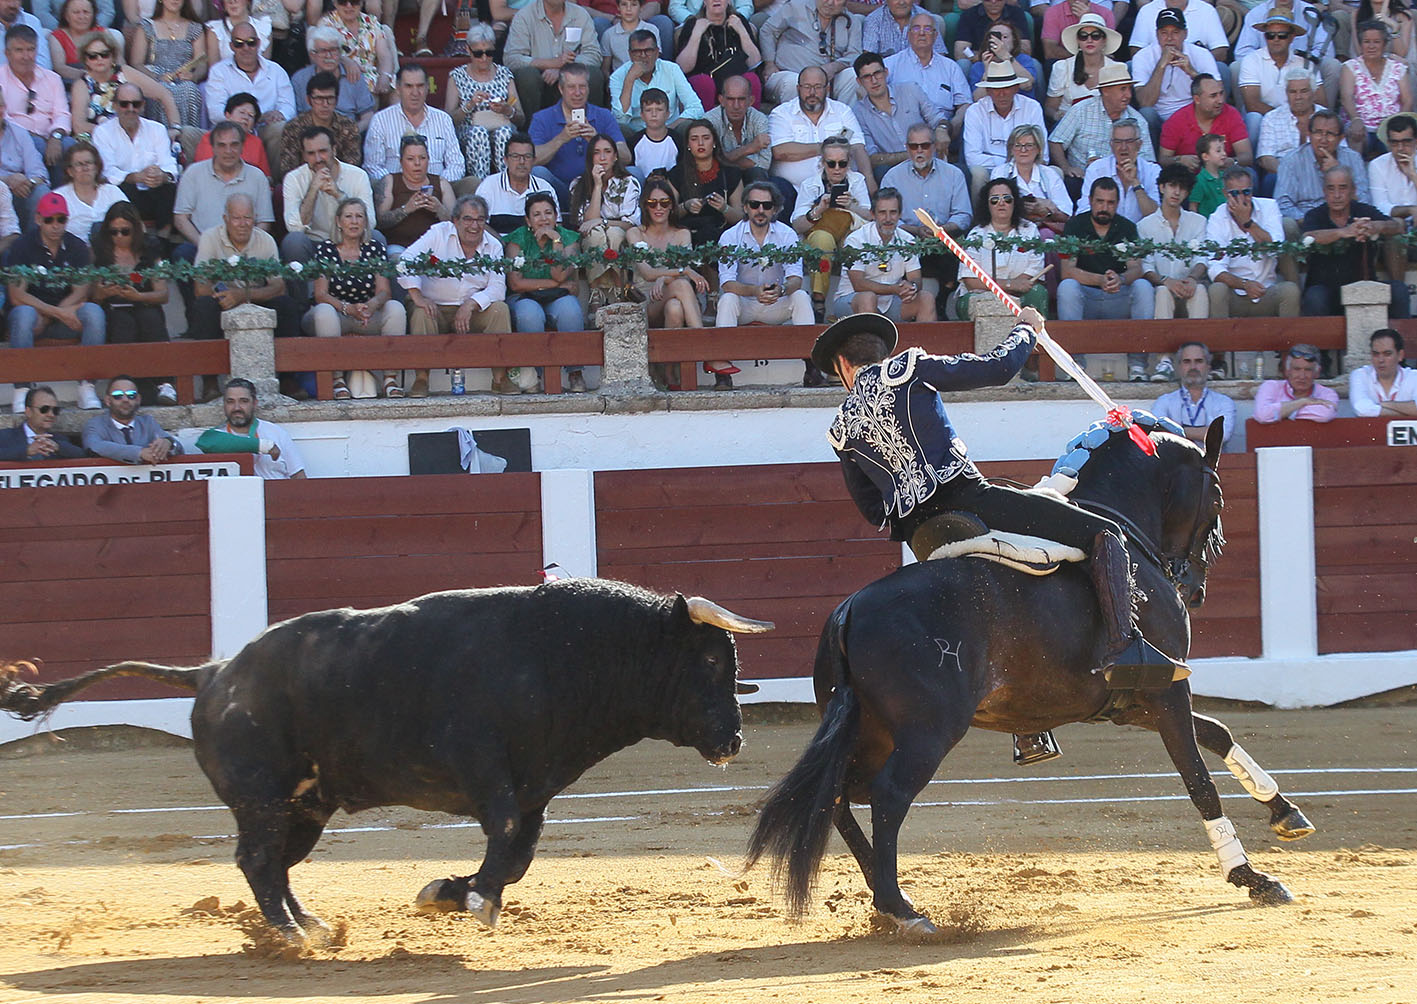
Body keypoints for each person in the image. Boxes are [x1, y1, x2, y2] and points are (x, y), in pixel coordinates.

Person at [813, 307, 1180, 765]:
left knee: (1005, 579)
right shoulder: (906, 369)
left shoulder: (841, 427)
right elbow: (998, 368)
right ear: (881, 353)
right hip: (970, 501)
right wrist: (1026, 329)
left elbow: (872, 510)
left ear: (843, 366)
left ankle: (1029, 725)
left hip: (925, 536)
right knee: (1104, 532)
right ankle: (1126, 648)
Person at [398, 194, 514, 397]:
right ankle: (421, 379)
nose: (474, 226)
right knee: (421, 312)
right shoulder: (439, 233)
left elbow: (497, 288)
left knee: (500, 309)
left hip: (472, 312)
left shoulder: (493, 245)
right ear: (455, 220)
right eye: (468, 219)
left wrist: (471, 304)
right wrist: (417, 296)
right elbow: (406, 260)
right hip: (436, 308)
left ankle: (500, 378)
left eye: (480, 220)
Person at [192, 193, 302, 399]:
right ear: (225, 219)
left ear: (255, 218)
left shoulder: (265, 240)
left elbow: (278, 286)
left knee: (286, 305)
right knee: (203, 306)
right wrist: (226, 296)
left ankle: (288, 378)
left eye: (247, 218)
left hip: (256, 298)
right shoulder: (210, 238)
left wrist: (243, 295)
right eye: (236, 218)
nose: (242, 224)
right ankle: (209, 382)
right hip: (222, 299)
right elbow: (200, 287)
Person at [3, 192, 104, 409]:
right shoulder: (22, 246)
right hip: (33, 321)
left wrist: (52, 315)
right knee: (23, 314)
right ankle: (22, 389)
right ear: (38, 219)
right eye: (49, 219)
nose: (55, 225)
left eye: (61, 219)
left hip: (62, 318)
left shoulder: (77, 246)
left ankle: (87, 386)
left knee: (94, 312)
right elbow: (17, 295)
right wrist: (57, 313)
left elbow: (81, 290)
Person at [304, 196, 406, 400]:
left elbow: (384, 291)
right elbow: (321, 294)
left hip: (366, 314)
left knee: (395, 308)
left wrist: (371, 305)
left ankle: (390, 379)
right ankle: (337, 380)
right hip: (336, 313)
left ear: (366, 221)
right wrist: (347, 308)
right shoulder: (326, 249)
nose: (354, 222)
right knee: (324, 312)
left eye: (359, 216)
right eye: (348, 216)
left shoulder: (375, 248)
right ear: (338, 221)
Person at [715, 180, 814, 379]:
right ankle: (722, 370)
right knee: (728, 299)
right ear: (745, 207)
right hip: (744, 304)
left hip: (776, 302)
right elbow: (727, 283)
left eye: (767, 205)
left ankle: (812, 366)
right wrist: (754, 291)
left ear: (774, 209)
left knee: (801, 296)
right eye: (754, 205)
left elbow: (796, 278)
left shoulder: (787, 234)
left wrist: (781, 290)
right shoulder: (730, 236)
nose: (760, 210)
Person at [503, 191, 595, 392]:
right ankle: (534, 376)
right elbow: (516, 283)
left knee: (571, 311)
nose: (543, 219)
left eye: (548, 213)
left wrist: (556, 242)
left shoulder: (569, 238)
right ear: (528, 220)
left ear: (556, 216)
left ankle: (575, 372)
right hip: (524, 297)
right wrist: (558, 285)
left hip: (557, 297)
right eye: (536, 214)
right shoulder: (518, 239)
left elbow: (559, 274)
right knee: (530, 315)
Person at [1206, 167, 1301, 361]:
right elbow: (1215, 269)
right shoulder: (1217, 218)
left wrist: (1248, 222)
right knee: (1216, 289)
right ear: (1225, 194)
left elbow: (1276, 248)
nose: (1242, 198)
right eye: (1235, 193)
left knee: (1290, 291)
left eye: (1246, 192)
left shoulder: (1268, 207)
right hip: (1237, 293)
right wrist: (1244, 284)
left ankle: (1288, 362)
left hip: (1267, 291)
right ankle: (1218, 363)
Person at [627, 176, 712, 384]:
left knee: (675, 307)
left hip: (672, 298)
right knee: (681, 283)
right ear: (645, 206)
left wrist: (665, 278)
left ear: (672, 206)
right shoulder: (635, 233)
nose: (659, 208)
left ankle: (669, 371)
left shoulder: (682, 234)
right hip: (646, 301)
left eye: (664, 203)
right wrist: (682, 271)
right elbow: (647, 273)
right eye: (652, 203)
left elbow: (673, 275)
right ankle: (708, 350)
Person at [90, 200, 175, 406]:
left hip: (144, 303)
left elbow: (163, 294)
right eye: (114, 232)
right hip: (114, 307)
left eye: (125, 231)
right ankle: (124, 386)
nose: (119, 236)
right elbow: (93, 295)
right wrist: (103, 293)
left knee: (150, 318)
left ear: (135, 230)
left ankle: (165, 383)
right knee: (122, 323)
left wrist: (138, 297)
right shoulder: (99, 250)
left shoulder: (150, 248)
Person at [1299, 164, 1409, 318]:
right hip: (1327, 291)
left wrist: (1376, 226)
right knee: (1315, 296)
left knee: (1399, 290)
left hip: (1365, 288)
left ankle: (1399, 334)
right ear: (1324, 192)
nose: (1337, 195)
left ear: (1353, 190)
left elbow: (1397, 226)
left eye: (1343, 188)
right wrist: (1343, 232)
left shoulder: (1364, 211)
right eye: (1331, 189)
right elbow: (1308, 237)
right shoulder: (1315, 214)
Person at [881, 121, 971, 297]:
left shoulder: (954, 174)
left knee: (956, 249)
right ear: (907, 148)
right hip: (906, 239)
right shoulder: (892, 177)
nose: (919, 151)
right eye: (914, 146)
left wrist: (941, 230)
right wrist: (915, 230)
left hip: (944, 239)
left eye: (925, 145)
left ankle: (943, 298)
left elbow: (963, 215)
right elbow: (885, 218)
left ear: (935, 146)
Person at [1048, 64, 1157, 200]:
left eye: (1129, 89)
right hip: (1082, 178)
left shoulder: (1138, 121)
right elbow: (1055, 141)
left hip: (1122, 180)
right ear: (1105, 90)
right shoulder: (1081, 110)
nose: (1129, 95)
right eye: (1123, 89)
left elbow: (1147, 160)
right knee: (1071, 184)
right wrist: (1066, 168)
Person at [792, 134, 871, 320]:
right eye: (831, 163)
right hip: (820, 237)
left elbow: (870, 218)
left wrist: (851, 206)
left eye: (842, 164)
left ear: (849, 163)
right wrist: (818, 210)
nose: (836, 169)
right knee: (822, 239)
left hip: (848, 235)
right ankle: (819, 301)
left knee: (855, 239)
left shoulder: (857, 181)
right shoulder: (810, 185)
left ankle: (850, 301)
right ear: (822, 163)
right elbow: (797, 226)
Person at [528, 63, 629, 205]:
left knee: (634, 172)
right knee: (538, 173)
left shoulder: (603, 115)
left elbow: (626, 156)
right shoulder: (542, 118)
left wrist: (597, 141)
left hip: (599, 186)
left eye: (582, 87)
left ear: (588, 88)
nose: (577, 93)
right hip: (560, 189)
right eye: (571, 87)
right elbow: (531, 159)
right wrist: (561, 139)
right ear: (561, 89)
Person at [203, 20, 293, 172]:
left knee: (280, 128)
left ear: (258, 43)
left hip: (266, 129)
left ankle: (273, 180)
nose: (246, 48)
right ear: (231, 46)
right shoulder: (219, 71)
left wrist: (279, 114)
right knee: (189, 134)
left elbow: (289, 107)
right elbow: (215, 112)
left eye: (251, 42)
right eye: (239, 43)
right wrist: (243, 120)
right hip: (229, 131)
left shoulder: (276, 71)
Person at [281, 124, 375, 268]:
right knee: (293, 241)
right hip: (313, 243)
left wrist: (338, 195)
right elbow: (294, 228)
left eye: (323, 151)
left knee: (376, 236)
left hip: (350, 242)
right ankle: (304, 284)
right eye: (311, 153)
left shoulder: (358, 175)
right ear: (304, 156)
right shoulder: (294, 178)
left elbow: (370, 222)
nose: (318, 159)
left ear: (334, 150)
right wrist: (313, 190)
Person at [837, 186, 936, 322]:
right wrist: (894, 289)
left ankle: (924, 337)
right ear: (873, 214)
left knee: (926, 298)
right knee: (868, 298)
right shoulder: (856, 239)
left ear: (900, 215)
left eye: (893, 212)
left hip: (891, 301)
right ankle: (870, 337)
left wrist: (911, 288)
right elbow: (858, 284)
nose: (888, 218)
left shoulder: (908, 240)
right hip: (852, 299)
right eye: (882, 213)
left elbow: (916, 278)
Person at [954, 175, 1045, 321]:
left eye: (1007, 199)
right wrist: (1009, 285)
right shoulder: (976, 235)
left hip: (1020, 293)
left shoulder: (1030, 230)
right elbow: (971, 280)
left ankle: (1033, 335)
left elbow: (1034, 270)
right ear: (987, 205)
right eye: (994, 200)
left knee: (1037, 292)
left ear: (1015, 203)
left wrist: (1013, 290)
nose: (1001, 203)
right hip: (983, 293)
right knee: (970, 300)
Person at [767, 65, 871, 190]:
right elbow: (780, 151)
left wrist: (870, 182)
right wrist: (827, 147)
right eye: (807, 87)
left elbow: (857, 147)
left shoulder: (842, 111)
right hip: (793, 190)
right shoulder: (781, 113)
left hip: (837, 188)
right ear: (798, 88)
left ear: (827, 89)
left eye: (817, 87)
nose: (812, 93)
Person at [362, 64, 465, 189]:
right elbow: (373, 167)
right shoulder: (380, 120)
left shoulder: (443, 119)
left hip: (438, 189)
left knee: (471, 183)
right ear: (398, 88)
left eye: (420, 86)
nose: (415, 93)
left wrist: (436, 185)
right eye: (409, 86)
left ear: (427, 88)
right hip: (395, 191)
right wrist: (400, 185)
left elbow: (456, 164)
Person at [91, 81, 178, 225]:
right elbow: (107, 172)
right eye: (124, 104)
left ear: (143, 105)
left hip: (154, 191)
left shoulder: (157, 129)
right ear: (115, 106)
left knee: (169, 187)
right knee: (118, 187)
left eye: (136, 104)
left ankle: (164, 235)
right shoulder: (103, 132)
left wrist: (162, 176)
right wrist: (135, 177)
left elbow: (168, 164)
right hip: (124, 193)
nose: (130, 109)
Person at [853, 51, 947, 181]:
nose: (874, 81)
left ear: (886, 72)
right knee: (881, 171)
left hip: (931, 162)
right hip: (896, 172)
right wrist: (913, 154)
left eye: (877, 73)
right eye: (867, 77)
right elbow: (872, 157)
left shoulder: (910, 90)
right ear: (859, 81)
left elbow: (938, 119)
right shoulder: (858, 112)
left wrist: (942, 129)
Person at [570, 132, 640, 303]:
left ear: (615, 157)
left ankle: (618, 290)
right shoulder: (577, 184)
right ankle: (596, 294)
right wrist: (597, 185)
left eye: (607, 152)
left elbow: (631, 224)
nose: (602, 158)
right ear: (590, 158)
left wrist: (603, 221)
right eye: (596, 152)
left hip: (620, 235)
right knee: (596, 234)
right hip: (590, 238)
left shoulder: (629, 182)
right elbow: (585, 225)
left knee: (614, 233)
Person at [447, 22, 521, 181]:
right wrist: (469, 105)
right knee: (478, 133)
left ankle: (507, 182)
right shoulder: (457, 76)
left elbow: (521, 118)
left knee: (504, 133)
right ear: (468, 50)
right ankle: (480, 183)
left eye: (489, 52)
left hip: (501, 126)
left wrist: (506, 109)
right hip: (470, 131)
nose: (484, 58)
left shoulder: (504, 74)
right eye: (478, 54)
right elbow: (449, 120)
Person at [1140, 161, 1209, 331]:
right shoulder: (1144, 225)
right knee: (1163, 292)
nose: (1177, 192)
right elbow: (1146, 267)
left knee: (1200, 289)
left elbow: (1201, 258)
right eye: (1172, 185)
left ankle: (1198, 344)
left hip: (1188, 287)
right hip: (1161, 289)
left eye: (1182, 188)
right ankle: (1163, 348)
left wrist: (1192, 279)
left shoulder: (1198, 222)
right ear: (1162, 187)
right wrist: (1166, 281)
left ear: (1187, 192)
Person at [1133, 6, 1222, 138]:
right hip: (1159, 116)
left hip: (1192, 113)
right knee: (1147, 113)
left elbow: (1218, 94)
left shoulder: (1201, 53)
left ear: (1185, 34)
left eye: (1175, 32)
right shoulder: (1142, 56)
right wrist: (1161, 66)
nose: (1169, 38)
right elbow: (1145, 102)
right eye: (1164, 33)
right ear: (1157, 35)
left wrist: (1192, 72)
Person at [1237, 14, 1327, 145]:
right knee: (1254, 118)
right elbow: (1252, 104)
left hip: (1300, 116)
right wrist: (1283, 119)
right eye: (1270, 35)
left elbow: (1321, 102)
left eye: (1282, 35)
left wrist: (1296, 117)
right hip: (1266, 116)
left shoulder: (1305, 62)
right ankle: (1254, 158)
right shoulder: (1251, 60)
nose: (1276, 39)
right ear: (1265, 37)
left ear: (1292, 37)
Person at [503, 0, 605, 114]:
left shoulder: (580, 14)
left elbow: (594, 54)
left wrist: (564, 69)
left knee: (593, 73)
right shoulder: (524, 16)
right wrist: (552, 63)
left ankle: (590, 122)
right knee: (527, 76)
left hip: (572, 77)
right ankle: (531, 124)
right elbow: (512, 58)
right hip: (539, 78)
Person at [962, 61, 1046, 197]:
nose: (1001, 94)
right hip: (993, 169)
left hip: (1027, 168)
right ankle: (980, 212)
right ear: (988, 91)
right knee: (978, 173)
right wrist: (1011, 164)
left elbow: (1043, 154)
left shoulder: (1032, 107)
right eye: (996, 89)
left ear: (1016, 88)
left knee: (1055, 172)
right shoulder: (975, 111)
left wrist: (1019, 164)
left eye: (1006, 88)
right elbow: (972, 157)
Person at [196, 377, 305, 478]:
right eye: (230, 402)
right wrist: (263, 446)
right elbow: (205, 442)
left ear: (254, 403)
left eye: (244, 401)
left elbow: (299, 477)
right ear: (224, 404)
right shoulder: (218, 435)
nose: (237, 408)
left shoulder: (276, 433)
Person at [0, 25, 71, 180]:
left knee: (70, 146)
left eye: (30, 49)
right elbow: (3, 116)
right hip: (13, 138)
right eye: (19, 50)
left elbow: (62, 114)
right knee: (37, 145)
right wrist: (33, 136)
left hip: (51, 136)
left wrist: (55, 137)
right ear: (7, 53)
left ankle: (63, 193)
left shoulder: (52, 78)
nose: (26, 56)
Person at [760, 0, 863, 106]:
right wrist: (769, 63)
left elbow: (854, 54)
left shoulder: (852, 22)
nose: (830, 3)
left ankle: (842, 115)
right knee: (793, 83)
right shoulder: (795, 7)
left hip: (828, 79)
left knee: (852, 76)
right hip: (789, 73)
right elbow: (768, 31)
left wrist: (834, 67)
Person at [1277, 110, 1371, 224]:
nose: (1323, 140)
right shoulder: (1292, 160)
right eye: (1318, 133)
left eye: (1330, 134)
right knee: (1288, 224)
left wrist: (1337, 172)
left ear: (1341, 138)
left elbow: (1364, 201)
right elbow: (1283, 204)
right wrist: (1312, 222)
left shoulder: (1353, 158)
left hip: (1346, 220)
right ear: (1309, 134)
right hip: (1306, 221)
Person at [885, 12, 970, 131]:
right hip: (905, 128)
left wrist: (954, 125)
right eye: (916, 28)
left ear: (935, 35)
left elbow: (965, 103)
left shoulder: (950, 67)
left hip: (942, 128)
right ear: (908, 34)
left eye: (927, 29)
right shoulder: (890, 64)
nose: (922, 33)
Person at [611, 28, 704, 135]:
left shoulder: (672, 69)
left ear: (656, 52)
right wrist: (629, 80)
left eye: (648, 51)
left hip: (670, 130)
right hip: (636, 134)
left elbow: (696, 107)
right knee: (620, 129)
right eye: (637, 52)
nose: (643, 56)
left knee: (687, 125)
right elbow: (620, 120)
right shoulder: (617, 76)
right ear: (630, 55)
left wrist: (668, 129)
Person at [1340, 19, 1412, 155]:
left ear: (1384, 44)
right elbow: (1346, 97)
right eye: (1367, 42)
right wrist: (1356, 119)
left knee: (1399, 139)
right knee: (1355, 134)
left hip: (1390, 126)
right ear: (1361, 44)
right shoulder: (1350, 67)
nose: (1371, 46)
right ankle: (1356, 168)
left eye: (1377, 42)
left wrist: (1397, 124)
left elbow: (1407, 100)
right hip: (1362, 126)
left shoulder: (1398, 68)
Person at [131, 0, 206, 130]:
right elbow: (136, 63)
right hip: (154, 77)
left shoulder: (195, 28)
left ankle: (186, 135)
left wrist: (193, 76)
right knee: (160, 89)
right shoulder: (146, 27)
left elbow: (202, 63)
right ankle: (159, 134)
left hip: (183, 79)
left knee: (189, 89)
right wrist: (156, 77)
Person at [675, 0, 762, 111]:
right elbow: (683, 67)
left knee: (752, 79)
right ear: (704, 1)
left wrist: (742, 32)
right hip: (705, 81)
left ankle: (750, 120)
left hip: (735, 82)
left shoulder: (739, 21)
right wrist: (696, 35)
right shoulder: (692, 24)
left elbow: (755, 63)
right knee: (703, 83)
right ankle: (703, 121)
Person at [376, 134, 455, 255]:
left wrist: (439, 209)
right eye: (410, 159)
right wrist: (406, 209)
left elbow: (457, 223)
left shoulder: (441, 183)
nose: (417, 163)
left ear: (428, 159)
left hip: (434, 247)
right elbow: (379, 222)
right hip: (399, 246)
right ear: (401, 161)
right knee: (399, 261)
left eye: (422, 158)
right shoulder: (390, 181)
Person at [669, 118, 742, 245]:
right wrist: (685, 207)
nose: (700, 143)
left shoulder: (731, 173)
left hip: (722, 237)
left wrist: (724, 208)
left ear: (714, 142)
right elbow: (666, 215)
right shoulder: (676, 173)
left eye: (706, 138)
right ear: (688, 145)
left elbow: (741, 218)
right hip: (686, 238)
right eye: (694, 139)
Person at [1149, 341, 1237, 447]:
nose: (1193, 367)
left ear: (1208, 367)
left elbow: (1222, 435)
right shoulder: (1164, 402)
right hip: (1176, 458)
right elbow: (1156, 434)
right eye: (1187, 362)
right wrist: (1205, 432)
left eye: (1199, 361)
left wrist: (1176, 431)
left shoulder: (1223, 402)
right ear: (1179, 367)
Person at [278, 72, 362, 179]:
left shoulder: (348, 127)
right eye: (319, 99)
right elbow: (288, 169)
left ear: (336, 100)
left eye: (330, 98)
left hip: (340, 181)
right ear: (309, 100)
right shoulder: (293, 127)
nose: (325, 104)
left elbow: (352, 165)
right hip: (304, 182)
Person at [1161, 73, 1254, 170]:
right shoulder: (1176, 121)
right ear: (1197, 99)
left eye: (1221, 93)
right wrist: (1179, 160)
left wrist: (1232, 161)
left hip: (1224, 173)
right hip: (1188, 175)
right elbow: (1163, 159)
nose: (1220, 100)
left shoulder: (1231, 114)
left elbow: (1246, 156)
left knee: (1249, 172)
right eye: (1213, 96)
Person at [80, 374, 184, 461]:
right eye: (118, 395)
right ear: (107, 400)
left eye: (131, 395)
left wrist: (169, 443)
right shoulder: (96, 424)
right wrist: (139, 453)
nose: (125, 400)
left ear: (138, 399)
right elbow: (93, 446)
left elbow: (179, 449)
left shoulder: (147, 422)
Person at [1074, 116, 1158, 222]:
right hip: (1105, 229)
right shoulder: (1096, 169)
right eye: (1118, 142)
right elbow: (1084, 210)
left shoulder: (1153, 171)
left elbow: (1155, 216)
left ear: (1139, 145)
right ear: (1111, 145)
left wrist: (1135, 182)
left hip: (1142, 231)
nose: (1123, 147)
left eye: (1129, 141)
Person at [290, 24, 374, 128]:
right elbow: (296, 117)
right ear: (312, 55)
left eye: (333, 50)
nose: (328, 56)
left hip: (347, 131)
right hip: (312, 132)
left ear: (340, 52)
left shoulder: (354, 76)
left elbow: (368, 116)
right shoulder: (300, 79)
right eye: (323, 51)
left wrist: (352, 132)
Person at [1045, 11, 1121, 122]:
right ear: (1078, 41)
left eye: (1095, 36)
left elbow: (1120, 106)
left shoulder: (1117, 69)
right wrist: (1057, 116)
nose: (1089, 40)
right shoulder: (1062, 67)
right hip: (1069, 123)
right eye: (1083, 36)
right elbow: (1050, 107)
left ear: (1104, 40)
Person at [994, 122, 1070, 231]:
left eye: (1029, 145)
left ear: (1038, 149)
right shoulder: (1000, 173)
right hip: (1010, 228)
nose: (1023, 150)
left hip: (1043, 229)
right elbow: (993, 209)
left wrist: (1047, 211)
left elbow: (1066, 216)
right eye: (1018, 145)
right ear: (1011, 149)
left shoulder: (1049, 175)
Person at [318, 0, 393, 99]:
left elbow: (384, 56)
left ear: (362, 3)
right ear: (335, 3)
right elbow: (323, 53)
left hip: (373, 74)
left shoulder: (372, 22)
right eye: (342, 2)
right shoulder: (326, 24)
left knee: (398, 92)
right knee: (367, 92)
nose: (349, 6)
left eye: (354, 1)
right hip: (344, 76)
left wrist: (385, 75)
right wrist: (345, 61)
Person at [0, 88, 52, 228]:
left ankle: (34, 240)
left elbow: (39, 172)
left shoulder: (19, 133)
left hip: (19, 192)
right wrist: (8, 181)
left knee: (41, 193)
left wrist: (27, 182)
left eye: (1, 105)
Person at [49, 139, 120, 241]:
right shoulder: (58, 197)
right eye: (79, 164)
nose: (85, 168)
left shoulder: (112, 191)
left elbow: (133, 222)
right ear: (70, 171)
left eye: (88, 163)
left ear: (96, 167)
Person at [1257, 71, 1322, 176]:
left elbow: (1341, 152)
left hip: (1319, 172)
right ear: (1286, 94)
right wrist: (1287, 174)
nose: (1298, 97)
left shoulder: (1327, 118)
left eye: (1304, 91)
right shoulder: (1272, 118)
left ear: (1314, 93)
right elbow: (1266, 158)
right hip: (1282, 172)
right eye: (1292, 92)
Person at [192, 92, 272, 177]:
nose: (246, 118)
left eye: (251, 115)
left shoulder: (256, 143)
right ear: (228, 115)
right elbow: (204, 172)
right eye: (242, 112)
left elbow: (265, 177)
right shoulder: (210, 138)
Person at [1253, 343, 1339, 421]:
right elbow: (1262, 415)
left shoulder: (1327, 393)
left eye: (1308, 370)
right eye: (1297, 369)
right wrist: (1303, 402)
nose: (1302, 376)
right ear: (1287, 371)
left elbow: (1325, 414)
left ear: (1317, 373)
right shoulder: (1271, 386)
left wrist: (1284, 411)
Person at [48, 0, 123, 83]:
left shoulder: (103, 33)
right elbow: (59, 67)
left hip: (106, 81)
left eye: (86, 12)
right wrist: (88, 76)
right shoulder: (57, 37)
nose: (81, 16)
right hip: (72, 82)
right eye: (76, 12)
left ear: (93, 14)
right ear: (66, 16)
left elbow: (119, 61)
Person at [0, 386, 84, 457]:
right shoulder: (4, 437)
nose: (51, 415)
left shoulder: (60, 440)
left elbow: (82, 455)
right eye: (44, 409)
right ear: (28, 412)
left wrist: (57, 447)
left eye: (55, 410)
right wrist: (26, 450)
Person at [1349, 327, 1417, 416]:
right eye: (1376, 354)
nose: (1381, 360)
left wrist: (1381, 404)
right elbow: (1361, 409)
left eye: (1387, 354)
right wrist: (1405, 414)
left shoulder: (1414, 377)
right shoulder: (1360, 375)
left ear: (1400, 355)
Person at [864, 0, 949, 61]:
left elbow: (939, 55)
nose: (901, 2)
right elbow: (870, 59)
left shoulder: (927, 18)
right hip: (888, 73)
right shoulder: (874, 20)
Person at [1370, 111, 1417, 217]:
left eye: (1406, 142)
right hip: (1394, 222)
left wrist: (1413, 175)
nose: (1400, 148)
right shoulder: (1377, 165)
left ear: (1416, 141)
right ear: (1388, 143)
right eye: (1395, 143)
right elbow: (1380, 206)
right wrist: (1410, 210)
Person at [1041, 0, 1117, 63]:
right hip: (1066, 61)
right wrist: (1084, 58)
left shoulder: (1105, 13)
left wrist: (1088, 18)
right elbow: (1050, 51)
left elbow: (1109, 49)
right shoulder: (1053, 12)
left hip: (1098, 64)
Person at [955, 0, 1033, 59]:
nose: (993, 1)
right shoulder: (969, 15)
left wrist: (1003, 54)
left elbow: (1025, 49)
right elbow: (960, 51)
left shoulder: (1016, 13)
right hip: (980, 61)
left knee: (1033, 63)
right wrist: (980, 56)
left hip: (1011, 59)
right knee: (963, 63)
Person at [628, 88, 681, 175]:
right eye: (648, 110)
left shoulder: (678, 140)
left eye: (659, 110)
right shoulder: (633, 142)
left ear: (667, 114)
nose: (654, 114)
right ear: (642, 115)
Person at [206, 0, 271, 62]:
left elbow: (266, 65)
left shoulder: (263, 28)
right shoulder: (215, 31)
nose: (232, 1)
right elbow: (214, 67)